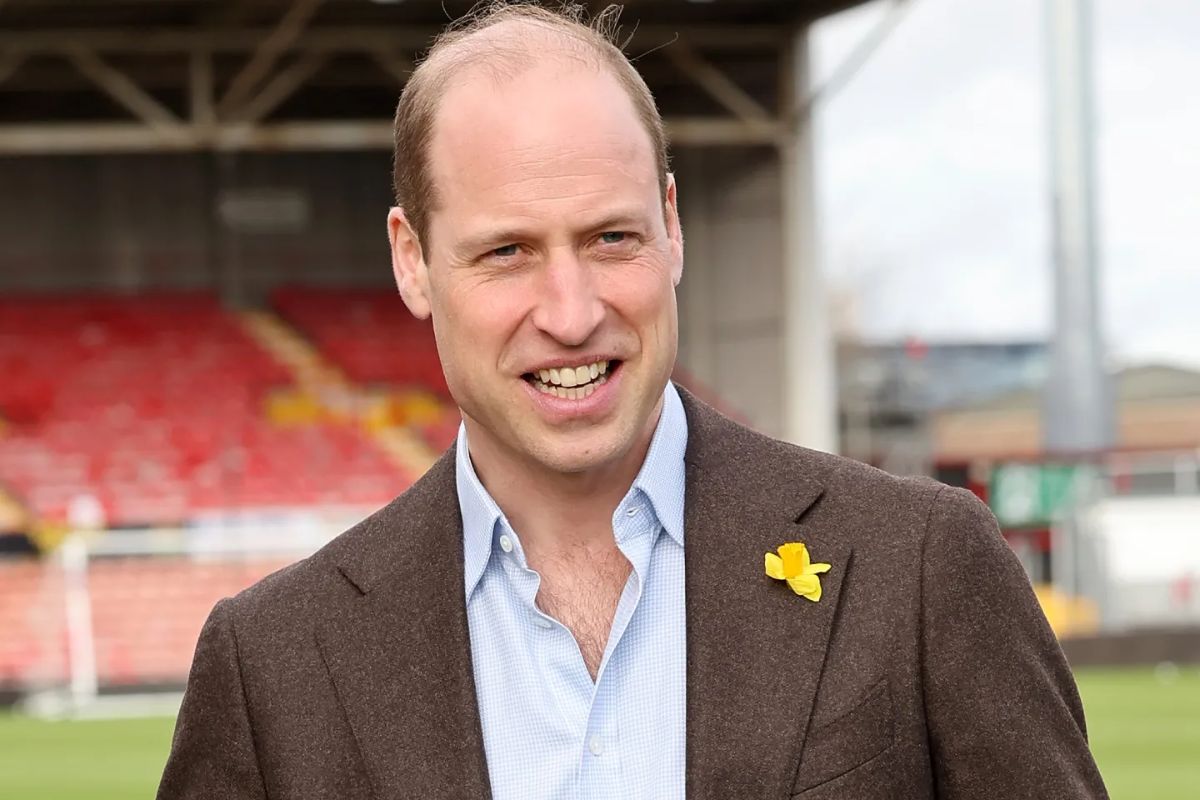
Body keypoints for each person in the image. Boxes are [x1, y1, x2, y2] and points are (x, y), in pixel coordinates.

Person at [157, 3, 1109, 799]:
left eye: (612, 238)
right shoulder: (271, 664)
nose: (572, 314)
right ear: (413, 261)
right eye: (506, 252)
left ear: (672, 227)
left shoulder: (921, 567)